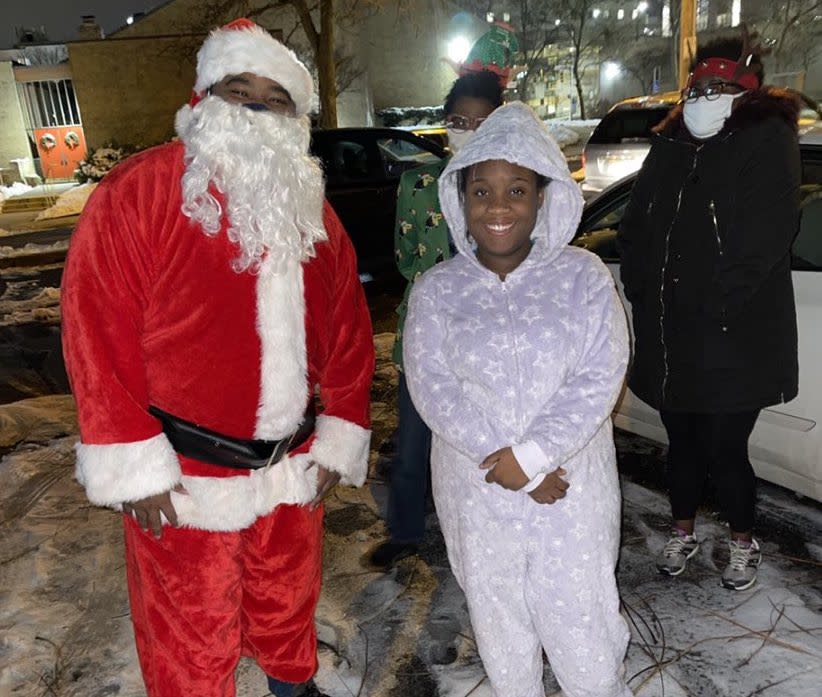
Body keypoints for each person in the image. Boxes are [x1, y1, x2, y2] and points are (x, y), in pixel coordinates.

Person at [61, 19, 374, 697]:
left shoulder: (308, 205)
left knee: (287, 604)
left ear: (296, 117)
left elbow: (347, 323)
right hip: (182, 478)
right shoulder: (137, 192)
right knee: (191, 632)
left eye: (276, 97)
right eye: (241, 91)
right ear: (205, 100)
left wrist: (339, 429)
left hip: (289, 466)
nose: (258, 110)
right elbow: (95, 327)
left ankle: (293, 686)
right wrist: (131, 457)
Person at [403, 102, 633, 697]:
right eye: (481, 190)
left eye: (516, 190)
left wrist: (533, 456)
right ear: (460, 200)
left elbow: (600, 372)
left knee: (582, 619)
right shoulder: (437, 290)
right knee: (501, 622)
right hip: (477, 493)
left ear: (542, 198)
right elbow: (432, 386)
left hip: (570, 490)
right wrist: (504, 461)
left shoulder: (583, 276)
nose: (498, 207)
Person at [617, 32, 800, 591]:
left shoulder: (766, 140)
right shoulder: (671, 145)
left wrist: (716, 307)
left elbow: (765, 239)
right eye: (699, 85)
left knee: (726, 449)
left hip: (732, 337)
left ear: (746, 88)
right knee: (683, 447)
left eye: (720, 85)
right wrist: (642, 288)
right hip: (672, 336)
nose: (706, 95)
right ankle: (684, 529)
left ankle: (743, 542)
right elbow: (635, 225)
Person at [366, 70, 504, 570]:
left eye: (480, 121)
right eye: (457, 120)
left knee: (479, 443)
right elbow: (407, 258)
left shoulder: (510, 186)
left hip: (489, 339)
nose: (466, 128)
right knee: (414, 442)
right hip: (424, 337)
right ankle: (404, 530)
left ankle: (478, 532)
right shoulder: (418, 183)